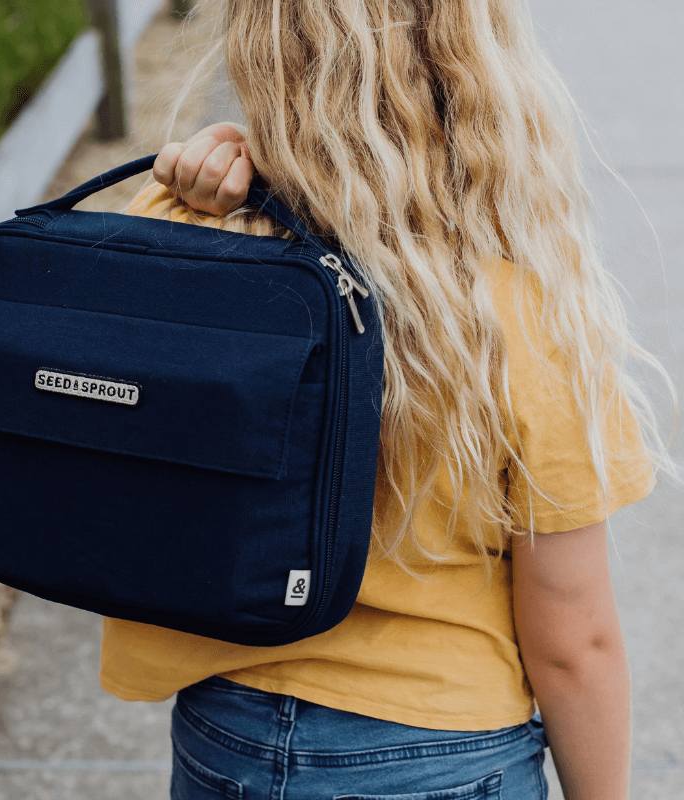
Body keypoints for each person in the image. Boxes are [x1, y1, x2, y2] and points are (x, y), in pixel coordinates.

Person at [99, 2, 678, 798]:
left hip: (224, 734)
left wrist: (184, 202)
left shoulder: (193, 252)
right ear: (477, 66)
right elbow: (574, 642)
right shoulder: (514, 312)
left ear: (258, 58)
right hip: (440, 753)